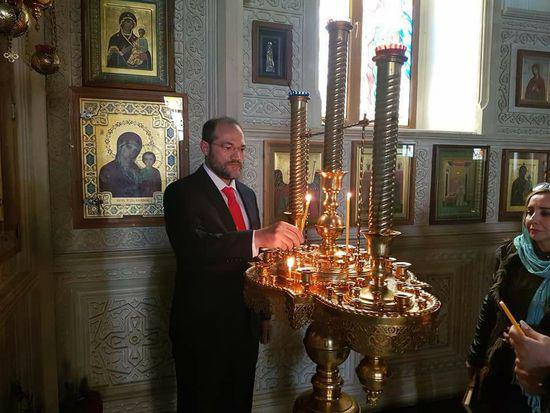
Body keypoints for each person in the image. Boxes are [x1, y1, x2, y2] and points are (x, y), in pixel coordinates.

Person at [163, 117, 304, 413]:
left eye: (241, 149)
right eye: (227, 147)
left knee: (239, 403)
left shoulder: (247, 195)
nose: (236, 155)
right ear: (205, 147)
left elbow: (256, 262)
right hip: (202, 328)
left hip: (245, 325)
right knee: (200, 405)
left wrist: (264, 314)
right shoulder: (181, 193)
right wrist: (259, 236)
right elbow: (195, 249)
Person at [467, 183, 550, 412]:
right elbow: (491, 305)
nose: (533, 219)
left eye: (545, 213)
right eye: (529, 212)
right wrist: (475, 355)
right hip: (503, 362)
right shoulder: (513, 253)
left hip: (544, 372)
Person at [99, 132, 142, 197]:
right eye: (129, 147)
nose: (131, 152)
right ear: (120, 147)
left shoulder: (137, 170)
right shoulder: (108, 169)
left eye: (135, 150)